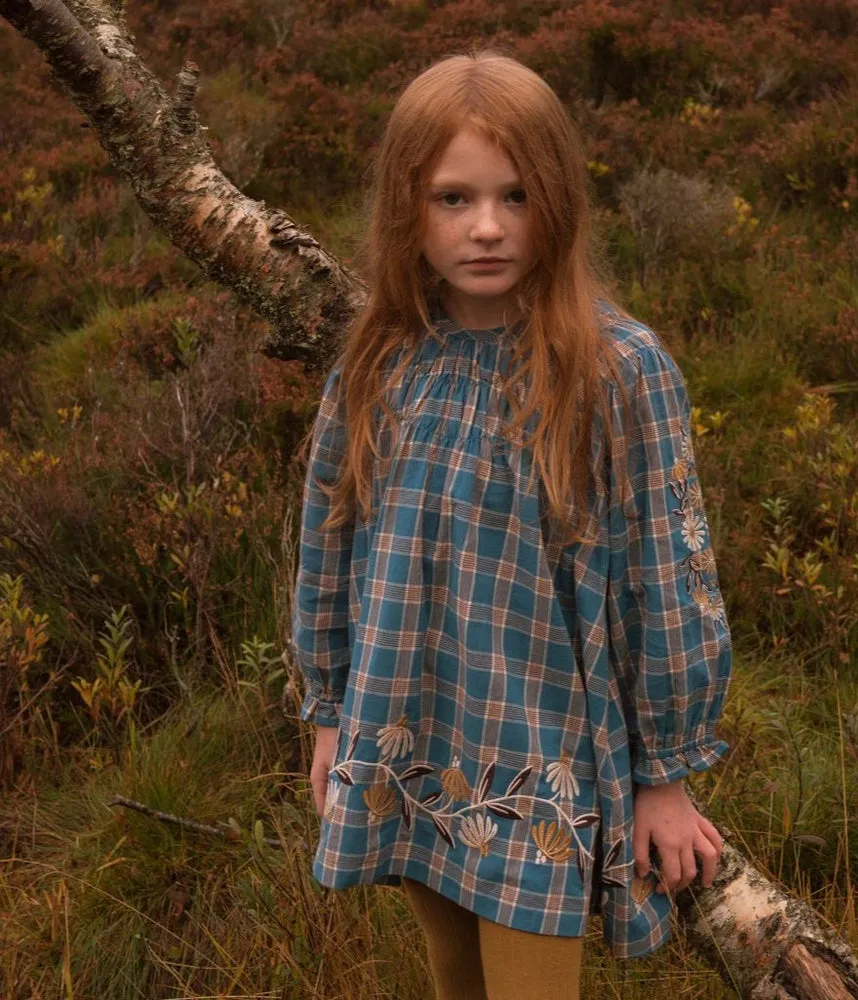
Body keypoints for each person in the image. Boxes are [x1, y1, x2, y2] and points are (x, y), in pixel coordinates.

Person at [292, 48, 732, 1000]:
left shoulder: (619, 370)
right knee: (455, 978)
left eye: (517, 197)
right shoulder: (381, 360)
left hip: (540, 769)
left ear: (560, 202)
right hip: (406, 738)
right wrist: (330, 714)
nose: (486, 228)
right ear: (406, 205)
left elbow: (670, 571)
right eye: (453, 198)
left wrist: (667, 773)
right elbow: (328, 542)